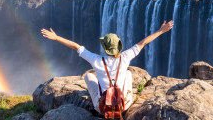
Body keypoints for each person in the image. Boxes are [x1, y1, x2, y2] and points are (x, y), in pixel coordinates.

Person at [41, 20, 174, 113]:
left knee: (88, 76)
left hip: (102, 108)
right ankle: (126, 97)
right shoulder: (126, 57)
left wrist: (56, 37)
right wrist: (161, 31)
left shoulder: (96, 60)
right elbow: (143, 43)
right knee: (128, 74)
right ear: (119, 46)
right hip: (123, 106)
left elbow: (76, 46)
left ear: (105, 48)